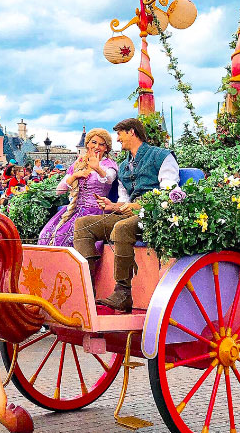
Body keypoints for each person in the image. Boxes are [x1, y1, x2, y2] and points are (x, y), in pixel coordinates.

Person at [73, 118, 179, 312]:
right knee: (83, 224)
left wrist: (138, 206)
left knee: (121, 228)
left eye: (120, 134)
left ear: (132, 132)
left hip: (154, 215)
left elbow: (168, 194)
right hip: (131, 214)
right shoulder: (124, 166)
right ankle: (87, 288)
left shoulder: (162, 156)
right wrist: (113, 206)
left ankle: (123, 292)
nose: (118, 139)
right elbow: (125, 200)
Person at [39, 129, 117, 246]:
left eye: (101, 144)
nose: (97, 146)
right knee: (46, 236)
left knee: (71, 241)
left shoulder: (109, 164)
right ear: (87, 144)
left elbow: (110, 178)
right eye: (94, 142)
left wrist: (97, 168)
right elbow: (59, 190)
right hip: (75, 210)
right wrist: (75, 175)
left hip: (96, 212)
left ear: (106, 148)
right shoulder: (78, 163)